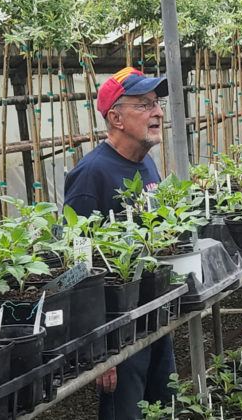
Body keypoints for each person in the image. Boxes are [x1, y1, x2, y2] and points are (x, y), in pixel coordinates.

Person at [63, 66, 174, 419]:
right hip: (118, 327)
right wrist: (99, 349)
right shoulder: (91, 174)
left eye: (156, 103)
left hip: (153, 311)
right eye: (144, 105)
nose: (158, 112)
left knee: (165, 404)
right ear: (116, 118)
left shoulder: (146, 165)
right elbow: (77, 264)